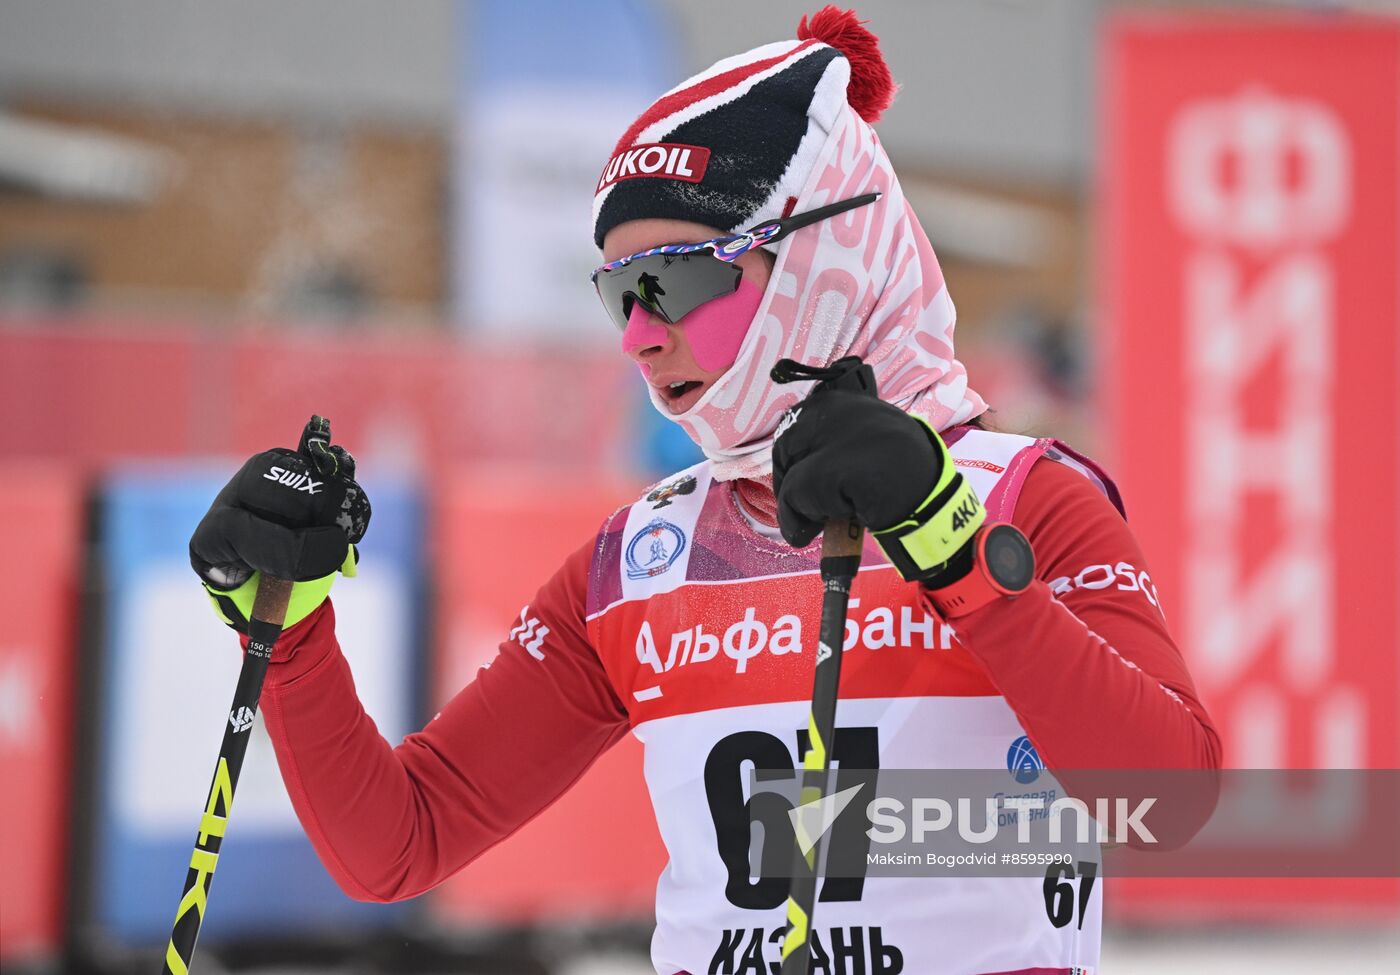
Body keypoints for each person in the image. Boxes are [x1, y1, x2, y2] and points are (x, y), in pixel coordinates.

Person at [190, 8, 1220, 973]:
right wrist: (286, 625)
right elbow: (398, 843)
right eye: (615, 296)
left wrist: (948, 546)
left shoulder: (1022, 497)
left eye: (672, 281)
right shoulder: (639, 559)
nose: (640, 336)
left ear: (817, 256)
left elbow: (1169, 803)